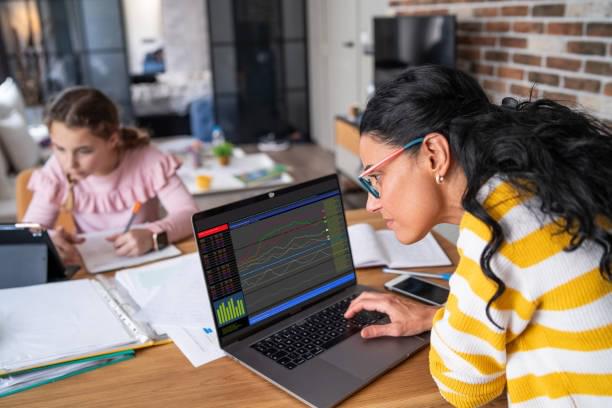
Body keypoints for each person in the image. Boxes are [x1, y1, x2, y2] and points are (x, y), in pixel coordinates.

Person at [344, 65, 612, 406]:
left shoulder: (498, 225)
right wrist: (438, 318)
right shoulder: (529, 187)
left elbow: (465, 388)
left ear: (434, 155)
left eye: (377, 177)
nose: (371, 203)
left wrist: (446, 324)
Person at [24, 87, 198, 264]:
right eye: (60, 149)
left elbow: (189, 214)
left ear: (112, 140)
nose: (69, 164)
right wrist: (50, 239)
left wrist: (153, 234)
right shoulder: (56, 168)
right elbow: (30, 231)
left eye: (84, 151)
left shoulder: (149, 160)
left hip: (148, 262)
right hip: (92, 267)